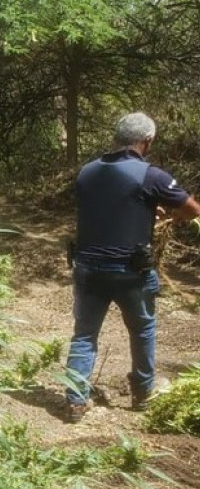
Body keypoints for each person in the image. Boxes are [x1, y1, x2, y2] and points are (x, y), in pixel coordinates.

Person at [65, 112, 200, 423]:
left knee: (84, 335)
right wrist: (170, 215)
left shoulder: (87, 171)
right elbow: (192, 209)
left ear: (116, 138)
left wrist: (144, 209)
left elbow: (108, 207)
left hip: (87, 266)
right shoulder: (151, 175)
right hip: (130, 271)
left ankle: (75, 400)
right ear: (147, 141)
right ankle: (142, 393)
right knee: (142, 330)